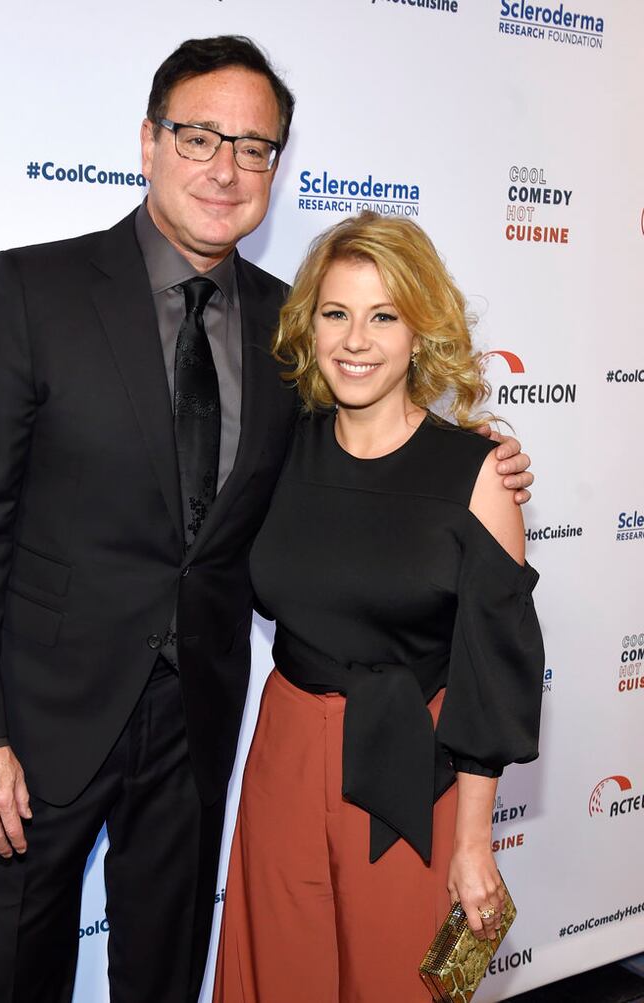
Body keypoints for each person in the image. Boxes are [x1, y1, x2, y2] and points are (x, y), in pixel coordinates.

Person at [0, 37, 533, 1003]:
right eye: (200, 136)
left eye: (254, 148)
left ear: (276, 167)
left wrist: (475, 465)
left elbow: (365, 463)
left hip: (200, 728)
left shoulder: (292, 327)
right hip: (43, 727)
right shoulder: (35, 289)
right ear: (149, 142)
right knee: (18, 975)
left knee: (167, 975)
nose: (226, 168)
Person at [213, 212, 545, 1003]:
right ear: (310, 326)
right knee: (281, 976)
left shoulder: (479, 473)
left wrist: (473, 841)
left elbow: (491, 675)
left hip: (412, 766)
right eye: (337, 313)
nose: (356, 340)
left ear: (420, 331)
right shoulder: (276, 447)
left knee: (396, 980)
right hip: (286, 753)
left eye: (384, 316)